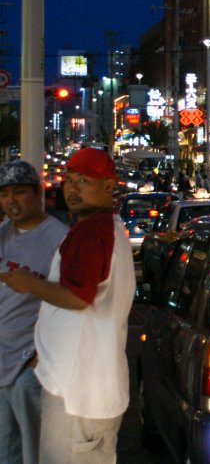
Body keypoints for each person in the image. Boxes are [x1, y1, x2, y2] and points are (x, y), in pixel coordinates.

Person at [0, 147, 135, 464]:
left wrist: (29, 283)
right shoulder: (105, 229)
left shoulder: (87, 233)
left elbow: (78, 296)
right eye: (70, 180)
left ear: (108, 186)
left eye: (84, 181)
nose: (73, 189)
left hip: (79, 393)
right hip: (79, 387)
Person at [0, 161, 68, 464]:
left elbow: (72, 302)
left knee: (36, 454)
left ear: (38, 194)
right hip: (1, 363)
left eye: (19, 192)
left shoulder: (60, 239)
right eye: (4, 194)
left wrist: (42, 357)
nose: (11, 201)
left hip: (31, 369)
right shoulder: (2, 234)